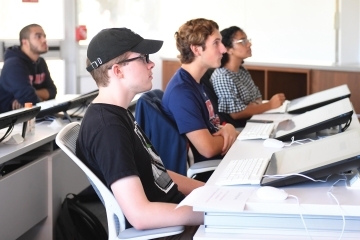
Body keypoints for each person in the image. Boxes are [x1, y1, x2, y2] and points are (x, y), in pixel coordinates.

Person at [76, 28, 204, 239]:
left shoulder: (119, 114)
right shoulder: (108, 128)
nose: (151, 63)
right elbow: (140, 215)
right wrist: (212, 212)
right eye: (143, 58)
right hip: (171, 230)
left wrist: (208, 191)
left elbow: (158, 174)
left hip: (178, 215)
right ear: (117, 71)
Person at [162, 18, 239, 164]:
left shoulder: (198, 82)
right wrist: (231, 134)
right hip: (213, 170)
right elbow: (207, 148)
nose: (223, 49)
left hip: (225, 159)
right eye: (216, 43)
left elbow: (216, 125)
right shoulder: (182, 92)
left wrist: (229, 129)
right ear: (196, 49)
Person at [210, 26, 286, 124]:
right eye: (242, 41)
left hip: (253, 120)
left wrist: (251, 107)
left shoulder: (242, 70)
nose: (249, 44)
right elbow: (236, 113)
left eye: (247, 40)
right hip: (240, 128)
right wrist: (270, 105)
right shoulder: (222, 76)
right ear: (228, 49)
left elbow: (257, 96)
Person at [0, 24, 57, 113]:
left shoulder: (40, 61)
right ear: (25, 42)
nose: (44, 40)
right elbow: (30, 100)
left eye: (44, 36)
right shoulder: (13, 65)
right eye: (38, 37)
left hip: (29, 118)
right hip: (10, 122)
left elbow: (52, 91)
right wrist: (36, 97)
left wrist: (34, 94)